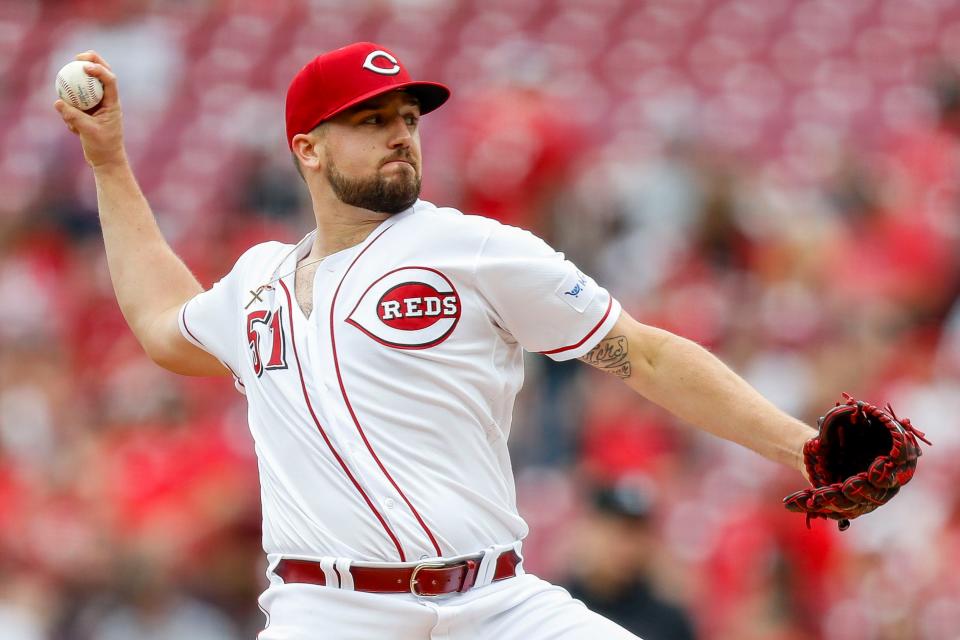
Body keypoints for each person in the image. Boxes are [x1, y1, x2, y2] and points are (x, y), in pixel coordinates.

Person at [54, 41, 816, 639]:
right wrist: (109, 162)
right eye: (371, 120)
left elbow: (643, 353)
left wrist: (802, 449)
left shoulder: (474, 248)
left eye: (409, 119)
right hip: (327, 614)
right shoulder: (260, 281)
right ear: (308, 149)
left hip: (495, 604)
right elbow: (163, 325)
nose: (400, 135)